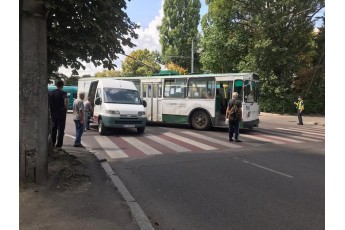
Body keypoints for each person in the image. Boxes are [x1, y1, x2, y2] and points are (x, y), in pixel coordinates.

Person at [48, 80, 68, 148]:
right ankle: (59, 145)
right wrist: (65, 110)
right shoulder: (64, 93)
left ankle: (52, 144)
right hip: (61, 113)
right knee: (61, 130)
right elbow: (66, 102)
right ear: (62, 85)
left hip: (53, 113)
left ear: (56, 85)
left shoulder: (50, 93)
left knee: (54, 129)